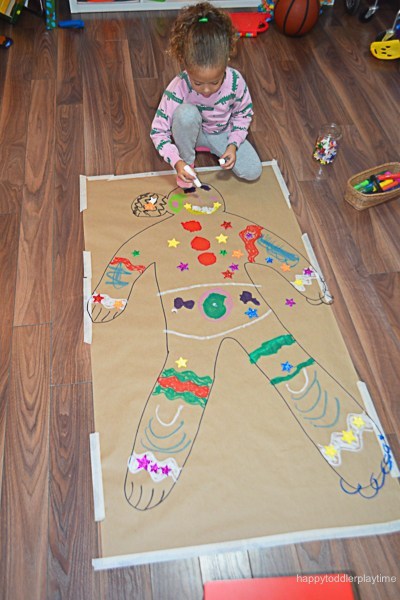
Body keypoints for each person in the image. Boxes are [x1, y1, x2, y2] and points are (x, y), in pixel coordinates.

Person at [150, 2, 262, 188]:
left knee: (253, 171)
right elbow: (158, 131)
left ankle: (209, 146)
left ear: (226, 62)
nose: (207, 90)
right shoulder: (179, 86)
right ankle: (189, 158)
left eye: (215, 82)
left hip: (222, 133)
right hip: (188, 130)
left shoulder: (235, 82)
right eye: (198, 83)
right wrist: (178, 162)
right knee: (185, 114)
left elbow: (244, 115)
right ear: (185, 66)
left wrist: (233, 145)